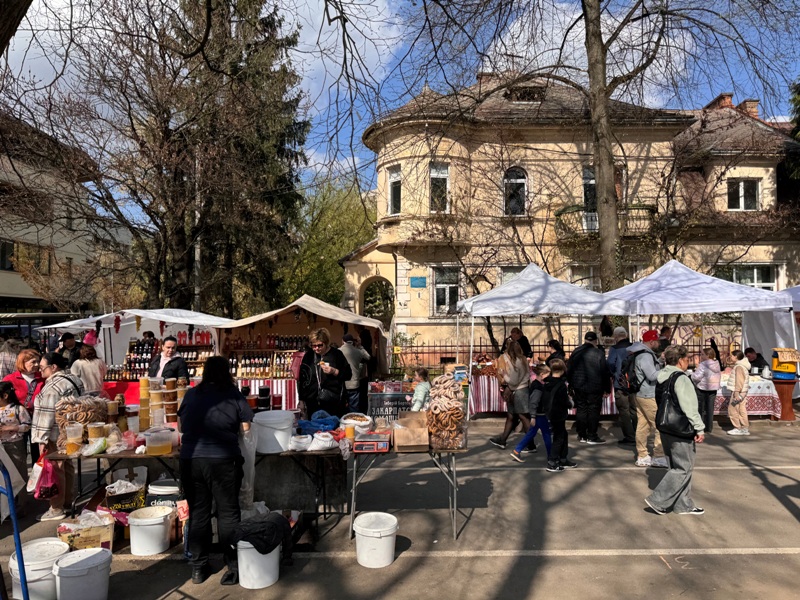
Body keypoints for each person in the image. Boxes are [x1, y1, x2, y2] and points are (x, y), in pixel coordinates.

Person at [179, 356, 253, 585]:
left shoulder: (191, 393)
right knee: (228, 513)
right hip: (223, 460)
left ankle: (198, 569)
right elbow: (246, 426)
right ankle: (232, 567)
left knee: (199, 513)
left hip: (191, 461)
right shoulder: (232, 394)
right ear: (227, 372)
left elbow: (181, 425)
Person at [645, 345, 706, 516]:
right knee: (683, 468)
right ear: (680, 360)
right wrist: (699, 428)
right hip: (680, 428)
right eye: (687, 359)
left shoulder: (662, 376)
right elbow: (690, 407)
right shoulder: (681, 378)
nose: (688, 362)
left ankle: (683, 504)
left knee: (676, 465)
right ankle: (658, 499)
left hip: (666, 426)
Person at [32, 352, 85, 521]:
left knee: (56, 469)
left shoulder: (52, 387)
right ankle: (68, 501)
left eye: (42, 368)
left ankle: (56, 508)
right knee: (67, 466)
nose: (40, 371)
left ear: (53, 367)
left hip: (55, 434)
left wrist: (42, 439)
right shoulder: (74, 380)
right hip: (71, 433)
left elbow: (47, 415)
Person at [630, 330, 668, 468]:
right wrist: (667, 370)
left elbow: (648, 371)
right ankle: (658, 456)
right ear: (651, 342)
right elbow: (652, 376)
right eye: (658, 341)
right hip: (648, 394)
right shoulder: (645, 356)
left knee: (643, 425)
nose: (659, 343)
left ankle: (642, 455)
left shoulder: (641, 354)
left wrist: (659, 361)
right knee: (659, 425)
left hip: (641, 394)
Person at [566, 331, 611, 444]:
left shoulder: (576, 352)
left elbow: (569, 369)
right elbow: (604, 372)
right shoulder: (598, 353)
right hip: (595, 386)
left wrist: (570, 386)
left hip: (579, 386)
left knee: (581, 409)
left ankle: (582, 435)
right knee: (593, 410)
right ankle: (592, 435)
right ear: (595, 341)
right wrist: (607, 388)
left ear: (585, 340)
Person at [3, 349, 45, 466]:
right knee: (19, 450)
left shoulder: (43, 378)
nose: (36, 365)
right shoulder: (10, 379)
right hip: (17, 420)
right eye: (33, 362)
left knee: (38, 450)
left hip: (38, 418)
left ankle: (38, 477)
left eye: (38, 362)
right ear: (23, 362)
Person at [490, 340, 532, 449]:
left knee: (523, 417)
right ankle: (502, 440)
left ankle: (531, 444)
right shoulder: (523, 359)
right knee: (511, 415)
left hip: (519, 391)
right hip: (519, 390)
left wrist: (504, 375)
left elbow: (513, 381)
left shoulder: (517, 361)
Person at [0, 381, 32, 515]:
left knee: (19, 474)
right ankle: (6, 506)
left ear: (5, 395)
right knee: (4, 476)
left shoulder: (18, 409)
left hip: (15, 445)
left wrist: (11, 427)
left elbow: (27, 425)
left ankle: (21, 505)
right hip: (1, 447)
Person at [510, 364, 552, 462]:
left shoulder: (537, 384)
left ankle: (517, 450)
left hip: (538, 414)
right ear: (542, 374)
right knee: (546, 434)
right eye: (547, 375)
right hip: (540, 414)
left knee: (531, 433)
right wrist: (532, 416)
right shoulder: (538, 387)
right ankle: (551, 455)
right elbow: (534, 402)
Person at [307, 328, 351, 417]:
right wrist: (301, 400)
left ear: (326, 343)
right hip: (313, 403)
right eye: (313, 346)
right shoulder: (309, 356)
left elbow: (348, 374)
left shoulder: (336, 354)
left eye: (319, 345)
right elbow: (303, 378)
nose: (316, 348)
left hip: (333, 402)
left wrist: (334, 371)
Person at [543, 359, 577, 472]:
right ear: (562, 370)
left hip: (551, 412)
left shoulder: (547, 382)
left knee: (563, 435)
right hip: (558, 413)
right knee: (559, 437)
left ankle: (563, 458)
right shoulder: (561, 385)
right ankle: (553, 461)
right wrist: (570, 403)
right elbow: (563, 401)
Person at [606, 327, 636, 445]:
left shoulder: (614, 349)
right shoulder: (634, 347)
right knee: (634, 410)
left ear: (616, 337)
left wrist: (614, 374)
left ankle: (629, 436)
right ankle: (638, 434)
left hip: (621, 383)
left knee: (624, 411)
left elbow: (610, 363)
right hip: (634, 383)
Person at [691, 347, 721, 433]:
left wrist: (692, 374)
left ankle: (701, 427)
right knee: (710, 408)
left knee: (701, 408)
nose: (701, 356)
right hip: (713, 388)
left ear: (708, 355)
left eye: (703, 354)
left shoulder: (703, 364)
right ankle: (709, 427)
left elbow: (697, 377)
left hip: (703, 388)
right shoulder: (717, 363)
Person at [339, 333, 370, 413]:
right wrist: (360, 346)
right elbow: (368, 357)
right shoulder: (358, 351)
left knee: (342, 407)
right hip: (354, 383)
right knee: (354, 407)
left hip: (342, 383)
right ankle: (354, 423)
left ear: (343, 341)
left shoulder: (338, 351)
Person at [727, 350, 751, 436]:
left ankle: (737, 427)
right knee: (741, 409)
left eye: (732, 355)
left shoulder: (739, 367)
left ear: (736, 357)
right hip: (742, 393)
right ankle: (744, 428)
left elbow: (739, 382)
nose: (731, 357)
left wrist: (736, 393)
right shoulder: (742, 366)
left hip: (738, 393)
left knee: (733, 409)